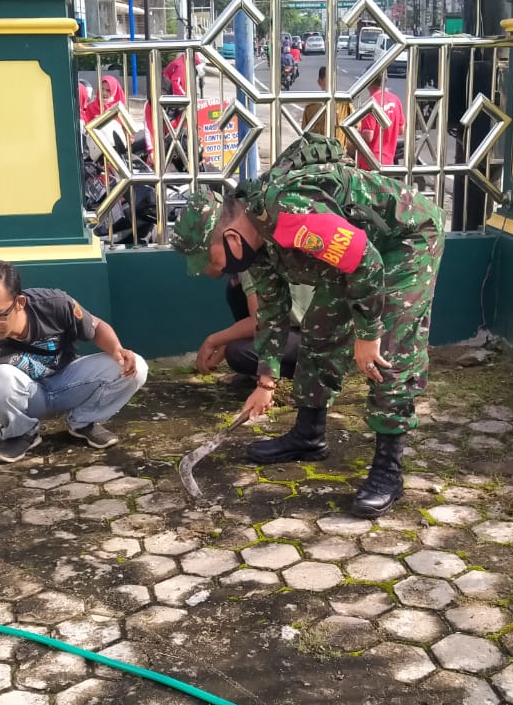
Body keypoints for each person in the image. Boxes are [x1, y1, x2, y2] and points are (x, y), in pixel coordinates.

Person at [171, 136, 444, 518]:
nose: (213, 271)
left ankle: (388, 470)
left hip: (404, 240)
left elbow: (367, 263)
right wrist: (266, 381)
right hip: (356, 255)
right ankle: (309, 435)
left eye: (209, 259)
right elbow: (270, 310)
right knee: (320, 329)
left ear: (229, 236)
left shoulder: (288, 216)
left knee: (390, 353)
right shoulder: (257, 242)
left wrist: (368, 335)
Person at [0, 260, 148, 515]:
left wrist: (117, 349)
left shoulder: (55, 304)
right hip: (27, 396)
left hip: (68, 380)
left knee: (135, 368)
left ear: (19, 303)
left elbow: (96, 326)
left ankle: (83, 423)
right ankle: (22, 433)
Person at [195, 271, 314, 384]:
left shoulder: (250, 263)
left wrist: (211, 341)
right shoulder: (240, 274)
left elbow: (259, 321)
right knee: (235, 290)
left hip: (315, 338)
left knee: (237, 353)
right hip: (294, 332)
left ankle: (313, 373)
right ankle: (261, 372)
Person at [357, 73, 404, 169]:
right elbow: (401, 130)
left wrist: (356, 132)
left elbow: (368, 136)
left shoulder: (371, 103)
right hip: (388, 162)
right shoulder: (395, 100)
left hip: (370, 163)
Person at [301, 65, 351, 146]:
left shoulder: (345, 103)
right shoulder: (345, 102)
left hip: (323, 152)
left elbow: (304, 133)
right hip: (329, 152)